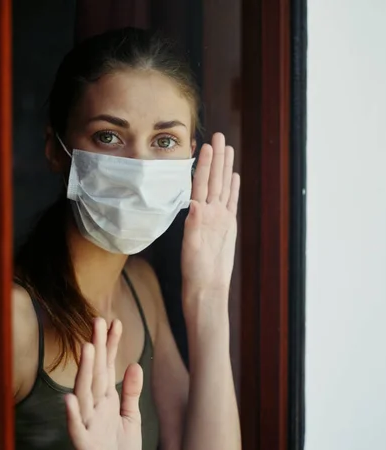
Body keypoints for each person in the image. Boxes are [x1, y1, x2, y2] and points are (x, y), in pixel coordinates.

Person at [13, 27, 241, 450]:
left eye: (165, 141)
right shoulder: (15, 321)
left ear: (191, 156)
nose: (140, 168)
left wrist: (208, 298)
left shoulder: (142, 287)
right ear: (56, 149)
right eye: (109, 136)